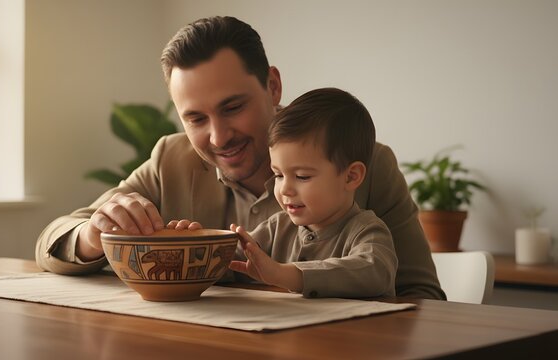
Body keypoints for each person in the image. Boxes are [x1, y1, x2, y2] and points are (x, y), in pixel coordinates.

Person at [35, 16, 445, 300]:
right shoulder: (169, 160)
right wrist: (94, 234)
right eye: (195, 118)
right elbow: (51, 242)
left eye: (232, 108)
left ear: (272, 86)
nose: (218, 137)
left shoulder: (365, 162)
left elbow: (424, 298)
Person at [170, 87, 397, 298]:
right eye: (278, 175)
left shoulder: (366, 230)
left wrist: (284, 274)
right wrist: (193, 249)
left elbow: (374, 271)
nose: (285, 189)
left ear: (351, 176)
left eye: (302, 177)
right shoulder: (277, 227)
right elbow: (230, 262)